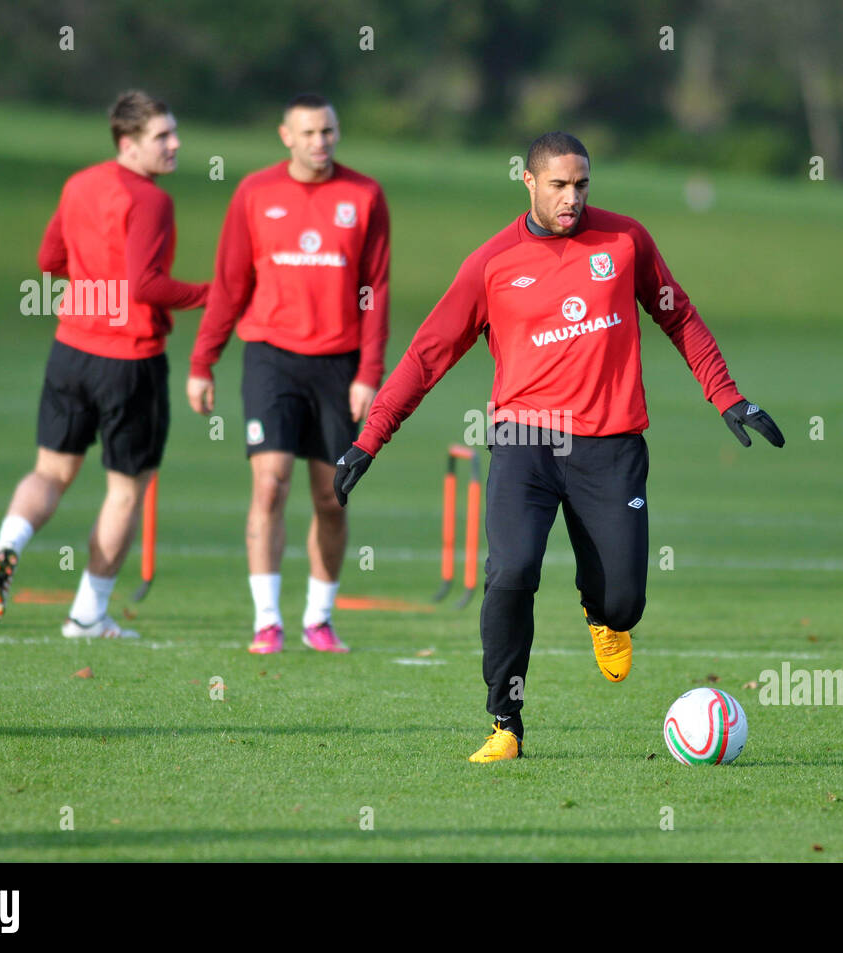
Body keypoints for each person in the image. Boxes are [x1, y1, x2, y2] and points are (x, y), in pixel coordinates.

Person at [334, 132, 784, 761]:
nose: (572, 198)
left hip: (612, 444)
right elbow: (427, 355)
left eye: (582, 185)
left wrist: (728, 396)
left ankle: (603, 615)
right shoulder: (491, 263)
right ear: (528, 181)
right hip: (525, 442)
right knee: (511, 571)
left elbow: (677, 315)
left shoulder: (626, 241)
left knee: (625, 601)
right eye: (559, 185)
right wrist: (369, 439)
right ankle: (505, 723)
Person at [0, 90, 210, 638]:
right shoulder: (151, 200)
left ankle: (9, 544)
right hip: (129, 362)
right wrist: (212, 295)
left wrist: (91, 281)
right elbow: (146, 285)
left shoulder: (80, 183)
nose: (175, 145)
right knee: (125, 490)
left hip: (70, 352)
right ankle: (87, 614)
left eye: (175, 133)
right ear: (128, 144)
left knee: (50, 472)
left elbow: (48, 260)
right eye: (162, 137)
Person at [187, 93, 390, 655]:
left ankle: (319, 620)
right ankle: (267, 620)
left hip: (339, 363)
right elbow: (229, 284)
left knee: (331, 497)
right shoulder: (255, 192)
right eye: (307, 133)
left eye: (327, 131)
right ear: (285, 136)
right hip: (270, 356)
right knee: (269, 481)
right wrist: (204, 361)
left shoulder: (364, 194)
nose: (319, 142)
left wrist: (369, 371)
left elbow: (376, 292)